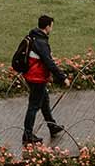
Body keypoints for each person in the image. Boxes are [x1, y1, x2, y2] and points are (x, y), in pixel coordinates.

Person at [18, 14, 68, 144]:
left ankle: (52, 126)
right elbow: (49, 63)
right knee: (34, 106)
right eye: (51, 26)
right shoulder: (41, 42)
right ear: (47, 27)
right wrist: (63, 78)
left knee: (44, 101)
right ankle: (27, 135)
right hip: (36, 78)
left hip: (31, 75)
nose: (52, 28)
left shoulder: (33, 36)